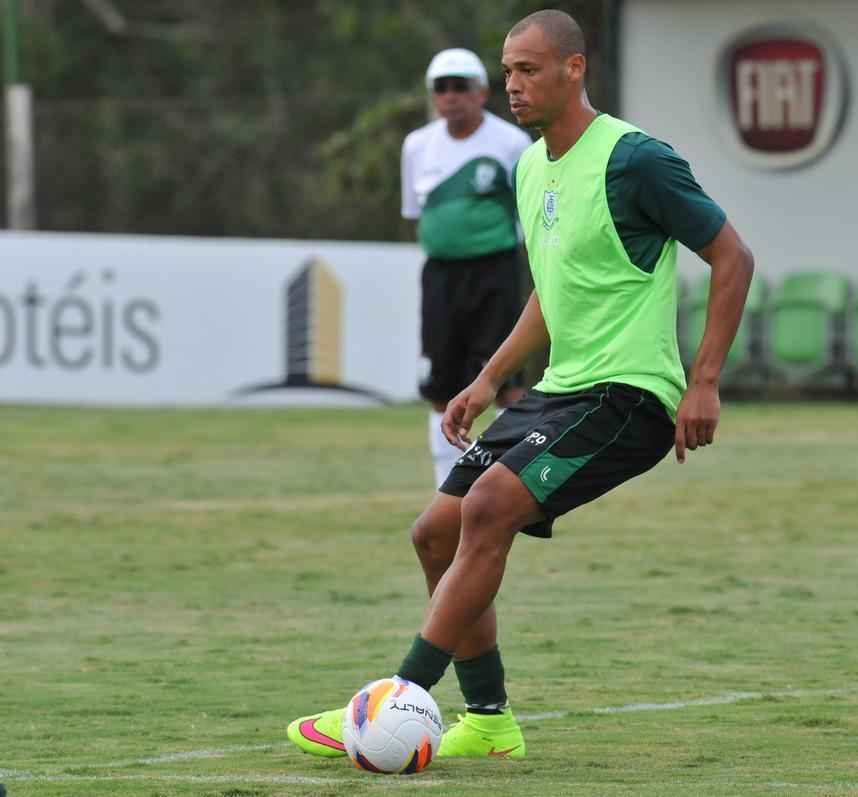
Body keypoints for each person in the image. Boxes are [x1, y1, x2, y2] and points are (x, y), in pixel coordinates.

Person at [286, 9, 754, 761]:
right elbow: (551, 292)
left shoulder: (636, 160)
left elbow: (733, 257)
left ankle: (398, 696)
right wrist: (488, 377)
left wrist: (703, 381)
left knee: (490, 505)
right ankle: (491, 720)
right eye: (507, 70)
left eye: (528, 70)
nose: (512, 85)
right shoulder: (531, 166)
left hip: (628, 394)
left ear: (575, 69)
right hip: (560, 389)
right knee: (434, 531)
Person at [402, 47, 532, 487]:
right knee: (443, 381)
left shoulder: (511, 143)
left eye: (461, 86)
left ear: (481, 92)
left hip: (495, 273)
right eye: (442, 87)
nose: (451, 96)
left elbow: (528, 213)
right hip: (440, 277)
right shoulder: (417, 145)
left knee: (507, 380)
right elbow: (417, 213)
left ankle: (512, 482)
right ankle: (447, 485)